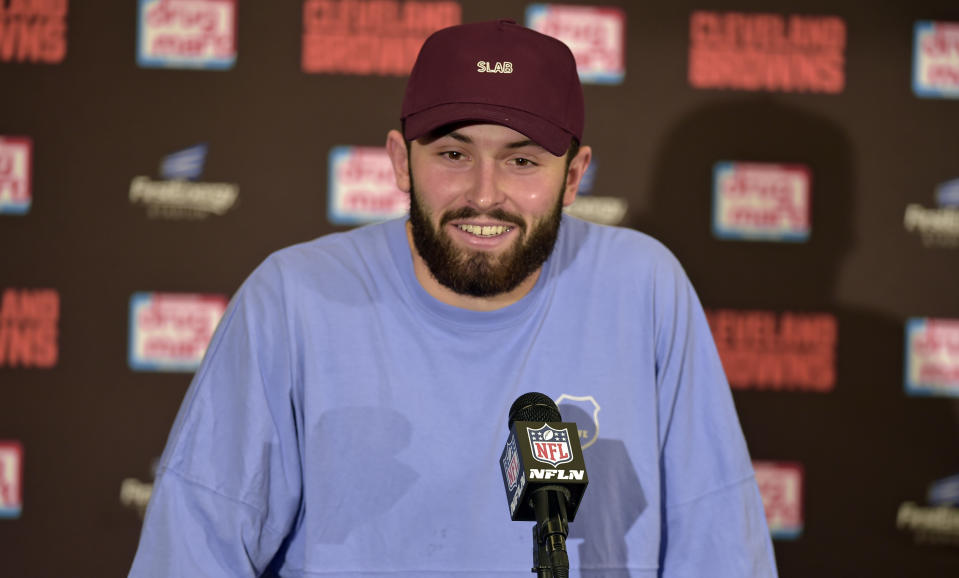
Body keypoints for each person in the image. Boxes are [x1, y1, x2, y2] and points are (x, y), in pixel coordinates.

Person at [129, 18, 778, 577]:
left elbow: (719, 547)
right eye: (452, 154)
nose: (484, 193)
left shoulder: (645, 290)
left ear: (574, 177)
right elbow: (191, 550)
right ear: (399, 161)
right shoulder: (293, 300)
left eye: (522, 161)